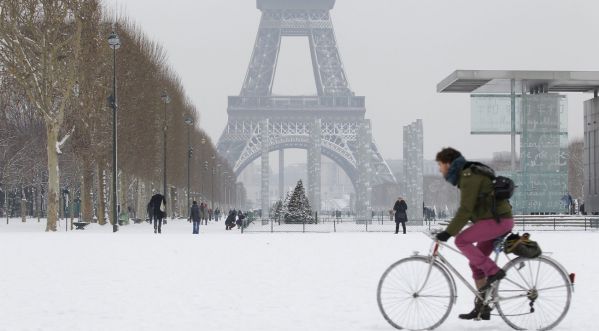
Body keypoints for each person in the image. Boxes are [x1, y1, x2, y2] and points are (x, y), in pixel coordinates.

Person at [434, 147, 514, 321]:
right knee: (475, 264)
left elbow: (466, 209)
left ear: (448, 164)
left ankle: (493, 271)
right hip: (495, 221)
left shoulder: (468, 176)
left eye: (440, 165)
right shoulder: (467, 174)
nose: (440, 170)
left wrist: (449, 232)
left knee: (461, 240)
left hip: (498, 221)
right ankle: (483, 306)